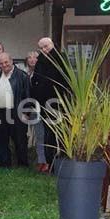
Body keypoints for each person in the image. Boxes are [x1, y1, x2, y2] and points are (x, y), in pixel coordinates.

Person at [0, 52, 31, 167]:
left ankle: (23, 165)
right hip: (1, 112)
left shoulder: (22, 76)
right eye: (1, 63)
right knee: (2, 139)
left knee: (20, 140)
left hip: (17, 112)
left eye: (6, 62)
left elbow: (27, 95)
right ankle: (5, 164)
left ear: (11, 61)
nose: (4, 65)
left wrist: (26, 113)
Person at [36, 37, 69, 169]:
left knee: (60, 133)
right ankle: (50, 162)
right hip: (45, 103)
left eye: (46, 46)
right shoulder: (40, 61)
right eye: (42, 47)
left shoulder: (60, 59)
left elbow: (65, 82)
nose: (45, 49)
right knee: (48, 134)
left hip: (58, 102)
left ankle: (61, 161)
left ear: (52, 44)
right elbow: (38, 81)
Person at [26, 51, 49, 172]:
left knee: (44, 135)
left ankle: (46, 161)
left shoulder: (43, 73)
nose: (32, 60)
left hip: (43, 108)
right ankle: (41, 160)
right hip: (32, 109)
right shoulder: (26, 74)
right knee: (38, 135)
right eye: (29, 57)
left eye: (35, 57)